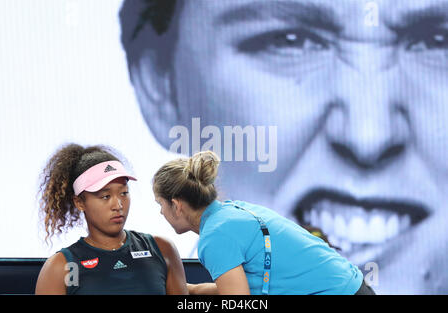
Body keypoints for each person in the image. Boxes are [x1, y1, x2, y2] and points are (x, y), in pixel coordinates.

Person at [119, 0, 448, 294]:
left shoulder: (216, 235)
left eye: (438, 41)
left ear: (177, 204)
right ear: (159, 84)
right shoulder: (234, 215)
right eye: (290, 41)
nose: (368, 137)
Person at [152, 150, 375, 295]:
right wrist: (191, 291)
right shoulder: (230, 213)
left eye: (160, 204)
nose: (161, 213)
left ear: (177, 205)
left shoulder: (214, 237)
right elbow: (237, 288)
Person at [35, 143, 188, 295]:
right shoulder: (60, 267)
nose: (118, 205)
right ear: (79, 202)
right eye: (105, 196)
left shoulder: (162, 249)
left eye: (124, 193)